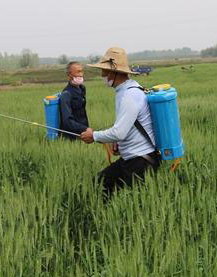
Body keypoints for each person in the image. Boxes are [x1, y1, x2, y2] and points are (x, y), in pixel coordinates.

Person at [80, 47, 160, 197]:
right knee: (97, 186)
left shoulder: (130, 95)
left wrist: (94, 135)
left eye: (104, 71)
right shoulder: (126, 90)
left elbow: (119, 132)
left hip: (140, 162)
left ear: (115, 72)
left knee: (132, 203)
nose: (102, 75)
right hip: (131, 158)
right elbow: (127, 128)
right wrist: (119, 145)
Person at [59, 61, 89, 140]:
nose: (81, 74)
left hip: (83, 134)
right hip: (72, 136)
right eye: (78, 72)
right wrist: (85, 129)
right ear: (69, 75)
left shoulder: (82, 88)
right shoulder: (66, 94)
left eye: (82, 71)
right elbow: (67, 121)